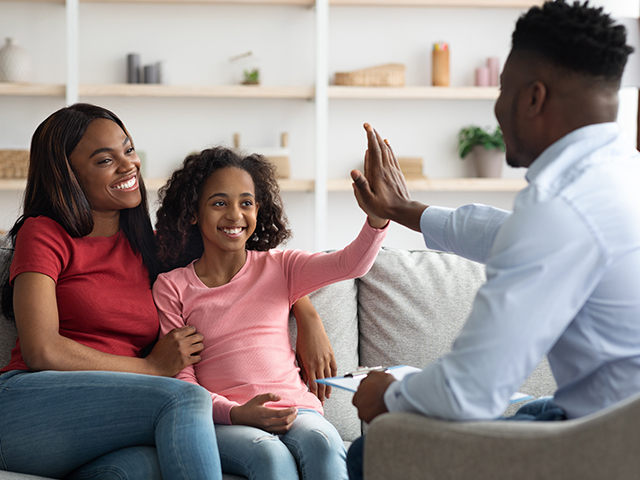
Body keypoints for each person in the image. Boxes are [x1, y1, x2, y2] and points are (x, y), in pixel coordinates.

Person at [344, 1, 637, 478]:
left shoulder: (560, 207)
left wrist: (389, 393)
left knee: (376, 447)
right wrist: (403, 210)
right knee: (533, 412)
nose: (497, 108)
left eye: (503, 89)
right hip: (612, 420)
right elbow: (505, 234)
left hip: (605, 446)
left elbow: (468, 392)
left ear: (533, 98)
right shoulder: (618, 179)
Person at [0, 103, 333, 480]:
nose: (129, 166)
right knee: (185, 398)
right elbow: (41, 349)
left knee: (137, 470)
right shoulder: (43, 233)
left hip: (116, 414)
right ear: (67, 175)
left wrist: (306, 314)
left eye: (127, 150)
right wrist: (151, 368)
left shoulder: (152, 245)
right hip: (30, 405)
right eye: (104, 160)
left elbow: (247, 266)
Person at [152, 146, 389, 480]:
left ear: (257, 209)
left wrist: (376, 219)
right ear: (193, 212)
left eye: (245, 203)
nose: (235, 215)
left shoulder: (281, 266)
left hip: (297, 409)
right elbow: (182, 378)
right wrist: (235, 413)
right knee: (269, 456)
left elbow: (351, 264)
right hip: (226, 419)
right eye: (219, 203)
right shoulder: (172, 287)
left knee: (322, 441)